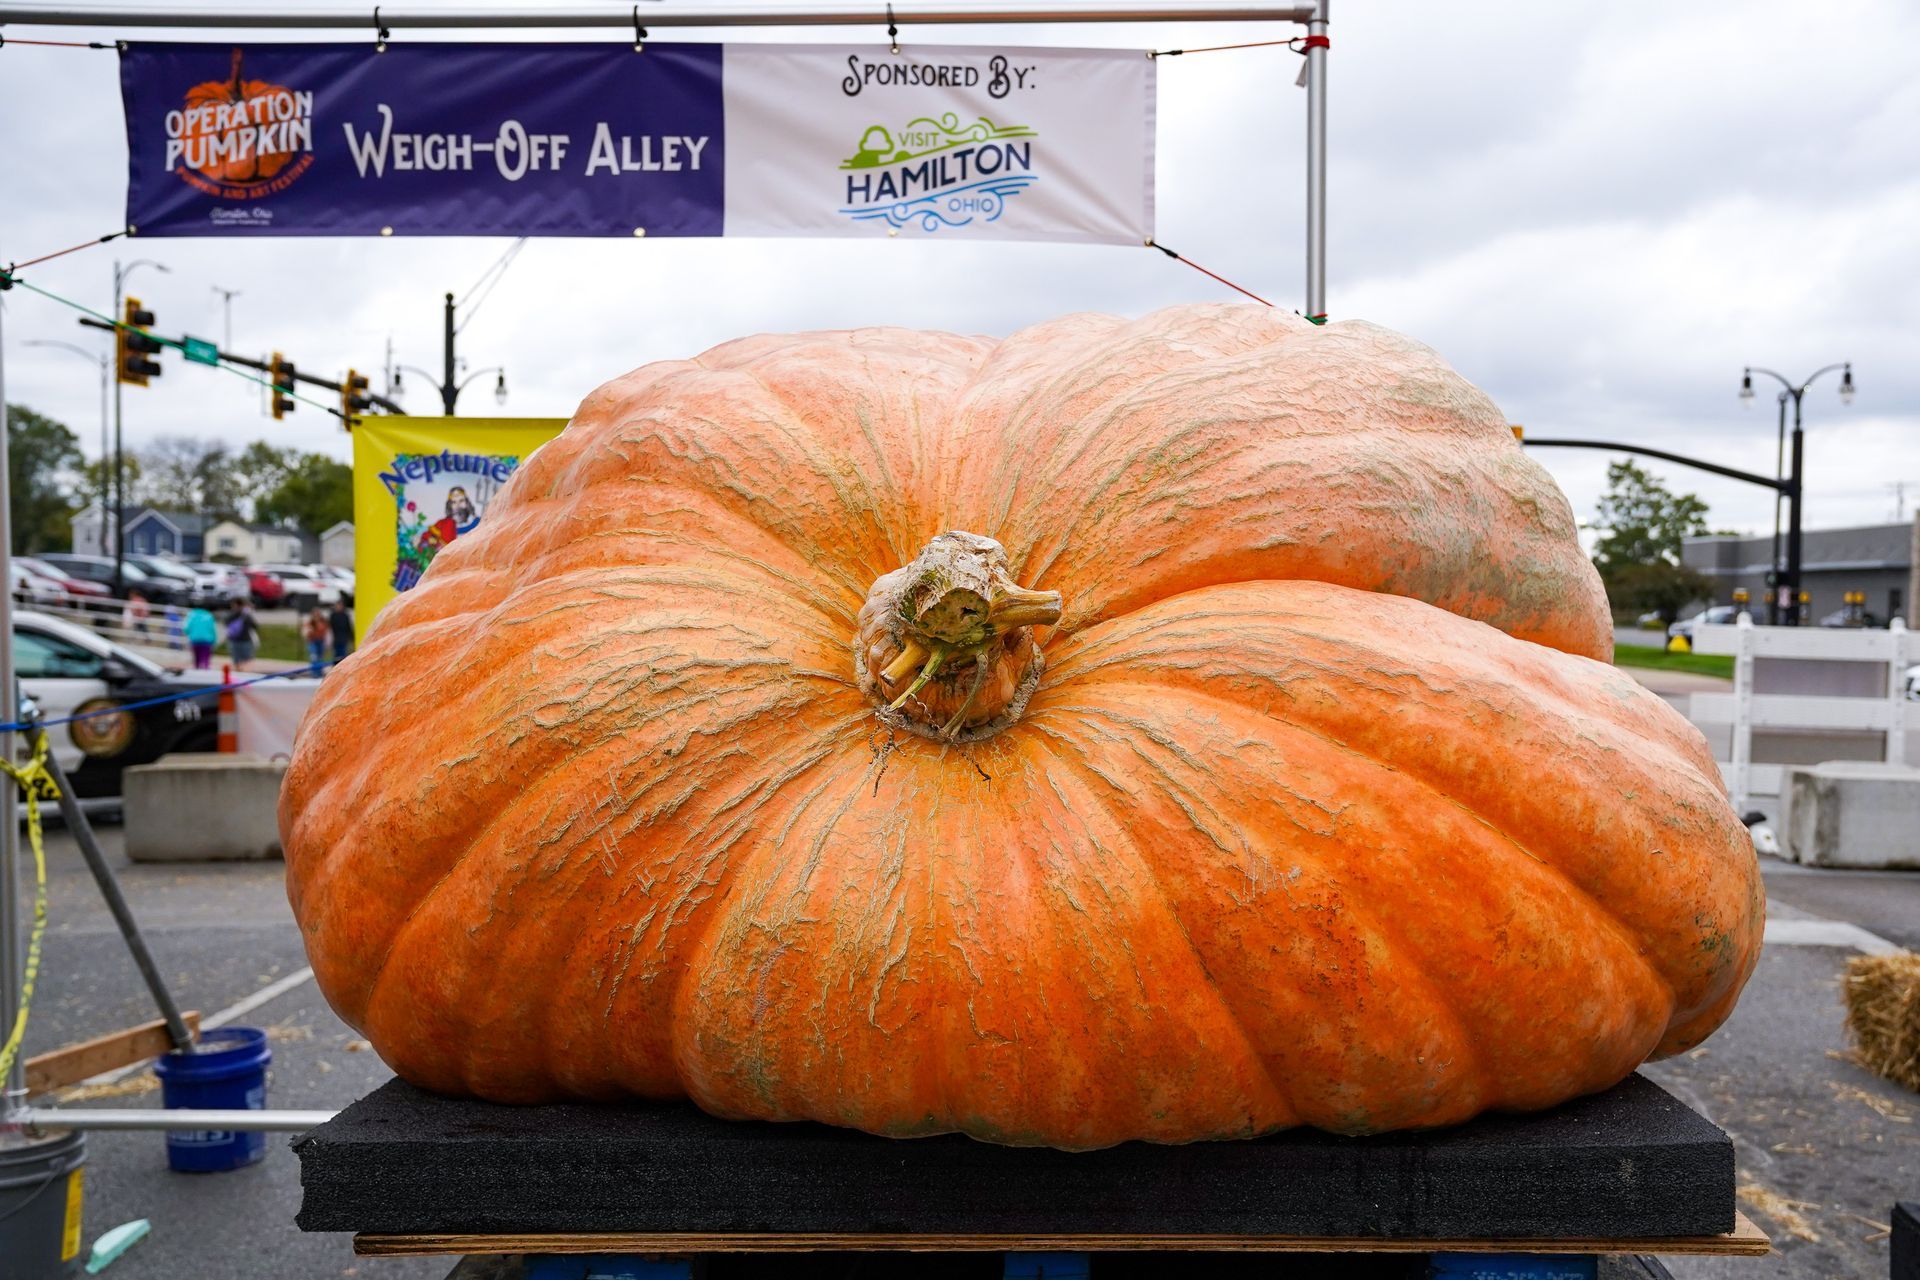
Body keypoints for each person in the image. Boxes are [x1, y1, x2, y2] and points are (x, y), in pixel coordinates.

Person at [225, 599, 259, 671]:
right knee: (247, 659)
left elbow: (226, 622)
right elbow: (255, 626)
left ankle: (239, 671)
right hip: (245, 639)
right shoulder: (246, 615)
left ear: (236, 605)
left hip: (234, 639)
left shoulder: (232, 615)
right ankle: (243, 672)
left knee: (237, 659)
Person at [184, 606, 218, 670]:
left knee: (196, 660)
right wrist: (214, 640)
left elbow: (186, 629)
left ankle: (196, 673)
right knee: (205, 660)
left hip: (195, 640)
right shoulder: (208, 616)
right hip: (207, 641)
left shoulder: (192, 616)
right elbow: (213, 629)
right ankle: (206, 673)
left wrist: (191, 634)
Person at [328, 597, 355, 665]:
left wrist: (351, 637)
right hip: (336, 638)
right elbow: (330, 626)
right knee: (336, 655)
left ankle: (341, 666)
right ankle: (335, 666)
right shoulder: (333, 615)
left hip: (343, 638)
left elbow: (348, 626)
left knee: (343, 655)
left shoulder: (345, 615)